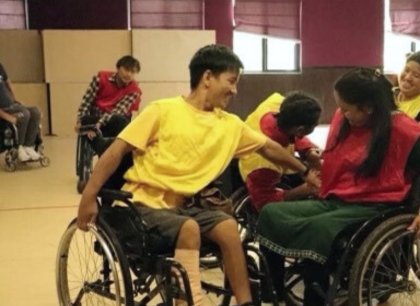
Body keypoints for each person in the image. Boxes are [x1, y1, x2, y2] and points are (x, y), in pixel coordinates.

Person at [76, 44, 319, 306]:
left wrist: (304, 171)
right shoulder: (163, 110)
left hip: (187, 206)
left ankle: (246, 302)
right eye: (231, 81)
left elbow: (269, 148)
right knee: (189, 228)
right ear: (207, 78)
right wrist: (89, 196)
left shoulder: (229, 124)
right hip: (144, 205)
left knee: (228, 228)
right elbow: (115, 151)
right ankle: (190, 300)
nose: (235, 90)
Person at [257, 68, 420, 305]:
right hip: (336, 198)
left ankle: (315, 298)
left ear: (368, 108)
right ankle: (274, 293)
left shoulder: (404, 129)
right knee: (271, 213)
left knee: (319, 230)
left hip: (374, 206)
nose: (341, 112)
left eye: (347, 108)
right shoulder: (345, 119)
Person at [238, 91, 322, 211]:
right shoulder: (264, 166)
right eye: (314, 125)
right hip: (255, 174)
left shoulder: (275, 104)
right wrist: (306, 189)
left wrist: (308, 149)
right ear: (300, 130)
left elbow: (293, 130)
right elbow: (264, 202)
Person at [75, 55, 142, 140]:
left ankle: (102, 143)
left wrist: (97, 126)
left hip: (114, 122)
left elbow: (117, 112)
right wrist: (80, 121)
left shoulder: (134, 90)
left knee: (119, 121)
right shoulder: (100, 78)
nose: (129, 74)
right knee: (84, 119)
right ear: (118, 68)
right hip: (96, 117)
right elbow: (87, 101)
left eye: (132, 72)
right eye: (126, 70)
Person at [0, 62, 42, 161]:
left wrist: (15, 98)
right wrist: (7, 117)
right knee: (24, 114)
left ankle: (28, 145)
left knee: (36, 111)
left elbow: (8, 82)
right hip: (4, 109)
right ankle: (18, 147)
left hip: (12, 105)